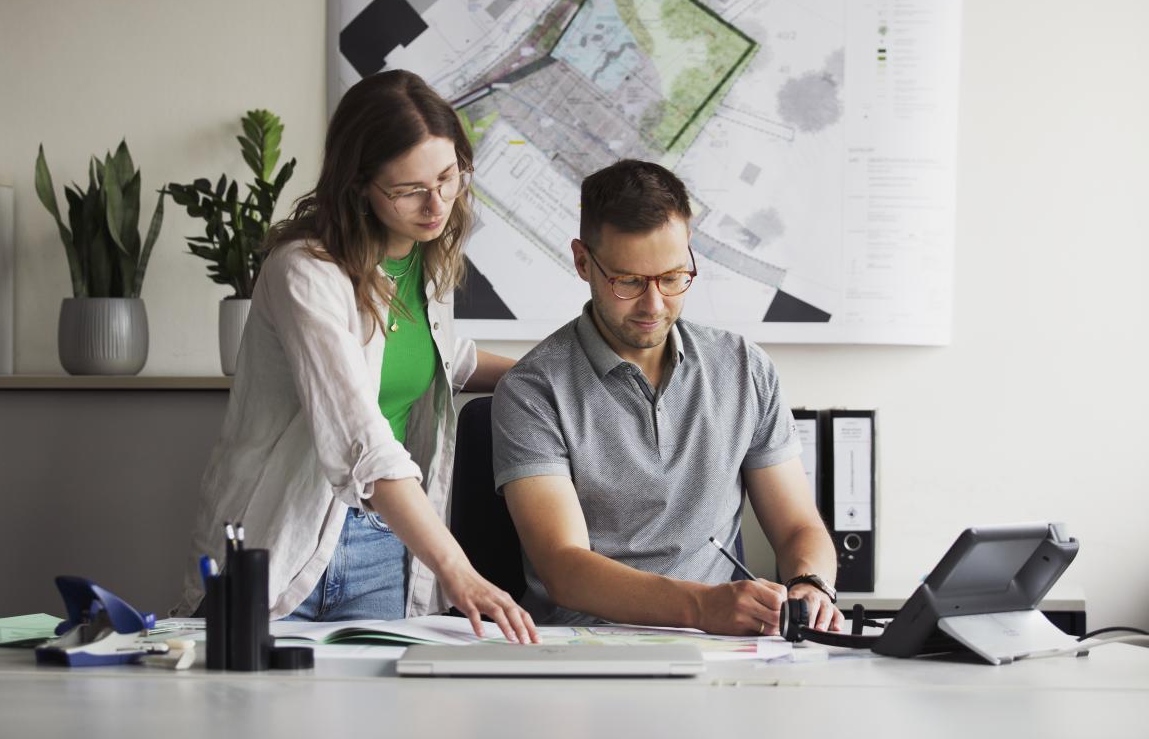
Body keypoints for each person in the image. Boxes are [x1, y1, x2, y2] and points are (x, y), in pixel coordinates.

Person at [178, 70, 536, 643]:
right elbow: (359, 438)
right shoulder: (305, 270)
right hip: (281, 537)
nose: (437, 203)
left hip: (386, 541)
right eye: (409, 189)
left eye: (449, 177)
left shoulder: (423, 257)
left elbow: (440, 355)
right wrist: (458, 571)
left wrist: (548, 381)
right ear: (359, 185)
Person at [492, 159, 843, 636]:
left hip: (722, 644)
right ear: (582, 262)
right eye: (629, 281)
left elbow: (799, 525)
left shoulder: (744, 368)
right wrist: (701, 607)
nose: (654, 305)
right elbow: (564, 569)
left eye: (674, 277)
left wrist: (811, 586)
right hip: (588, 645)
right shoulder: (534, 391)